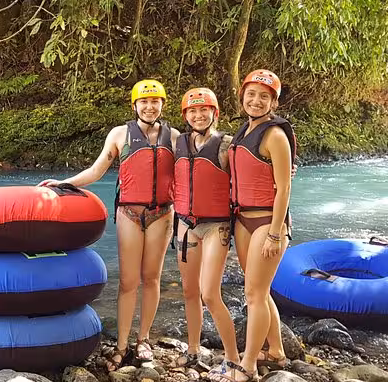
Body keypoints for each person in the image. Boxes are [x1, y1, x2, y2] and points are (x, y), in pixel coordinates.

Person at [39, 79, 180, 371]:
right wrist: (64, 183)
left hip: (162, 214)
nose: (150, 106)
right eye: (144, 102)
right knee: (129, 281)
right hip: (129, 213)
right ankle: (122, 344)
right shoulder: (119, 134)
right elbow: (96, 170)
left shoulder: (175, 137)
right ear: (135, 105)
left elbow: (198, 165)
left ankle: (143, 340)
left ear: (162, 105)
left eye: (155, 102)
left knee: (152, 278)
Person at [217, 70, 296, 382]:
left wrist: (276, 232)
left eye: (264, 96)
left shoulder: (275, 135)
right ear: (242, 96)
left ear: (273, 102)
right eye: (251, 94)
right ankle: (276, 351)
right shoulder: (243, 131)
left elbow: (285, 188)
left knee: (253, 293)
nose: (256, 100)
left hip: (267, 221)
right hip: (242, 219)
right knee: (260, 292)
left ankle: (248, 364)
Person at [171, 88, 240, 374]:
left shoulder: (226, 145)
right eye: (192, 111)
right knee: (190, 292)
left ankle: (234, 358)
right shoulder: (178, 143)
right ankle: (193, 349)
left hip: (216, 226)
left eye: (204, 110)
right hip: (186, 225)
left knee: (210, 294)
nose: (198, 115)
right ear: (186, 115)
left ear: (215, 113)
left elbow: (251, 172)